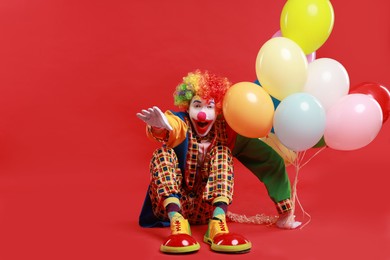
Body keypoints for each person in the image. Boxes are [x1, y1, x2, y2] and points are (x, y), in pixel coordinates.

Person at [137, 70, 300, 254]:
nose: (202, 114)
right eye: (197, 106)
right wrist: (159, 127)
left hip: (206, 210)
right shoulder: (181, 123)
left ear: (218, 110)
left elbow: (267, 160)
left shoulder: (227, 133)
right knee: (163, 153)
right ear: (187, 107)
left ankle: (217, 225)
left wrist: (285, 210)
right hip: (171, 206)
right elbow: (172, 126)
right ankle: (178, 225)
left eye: (209, 107)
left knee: (222, 152)